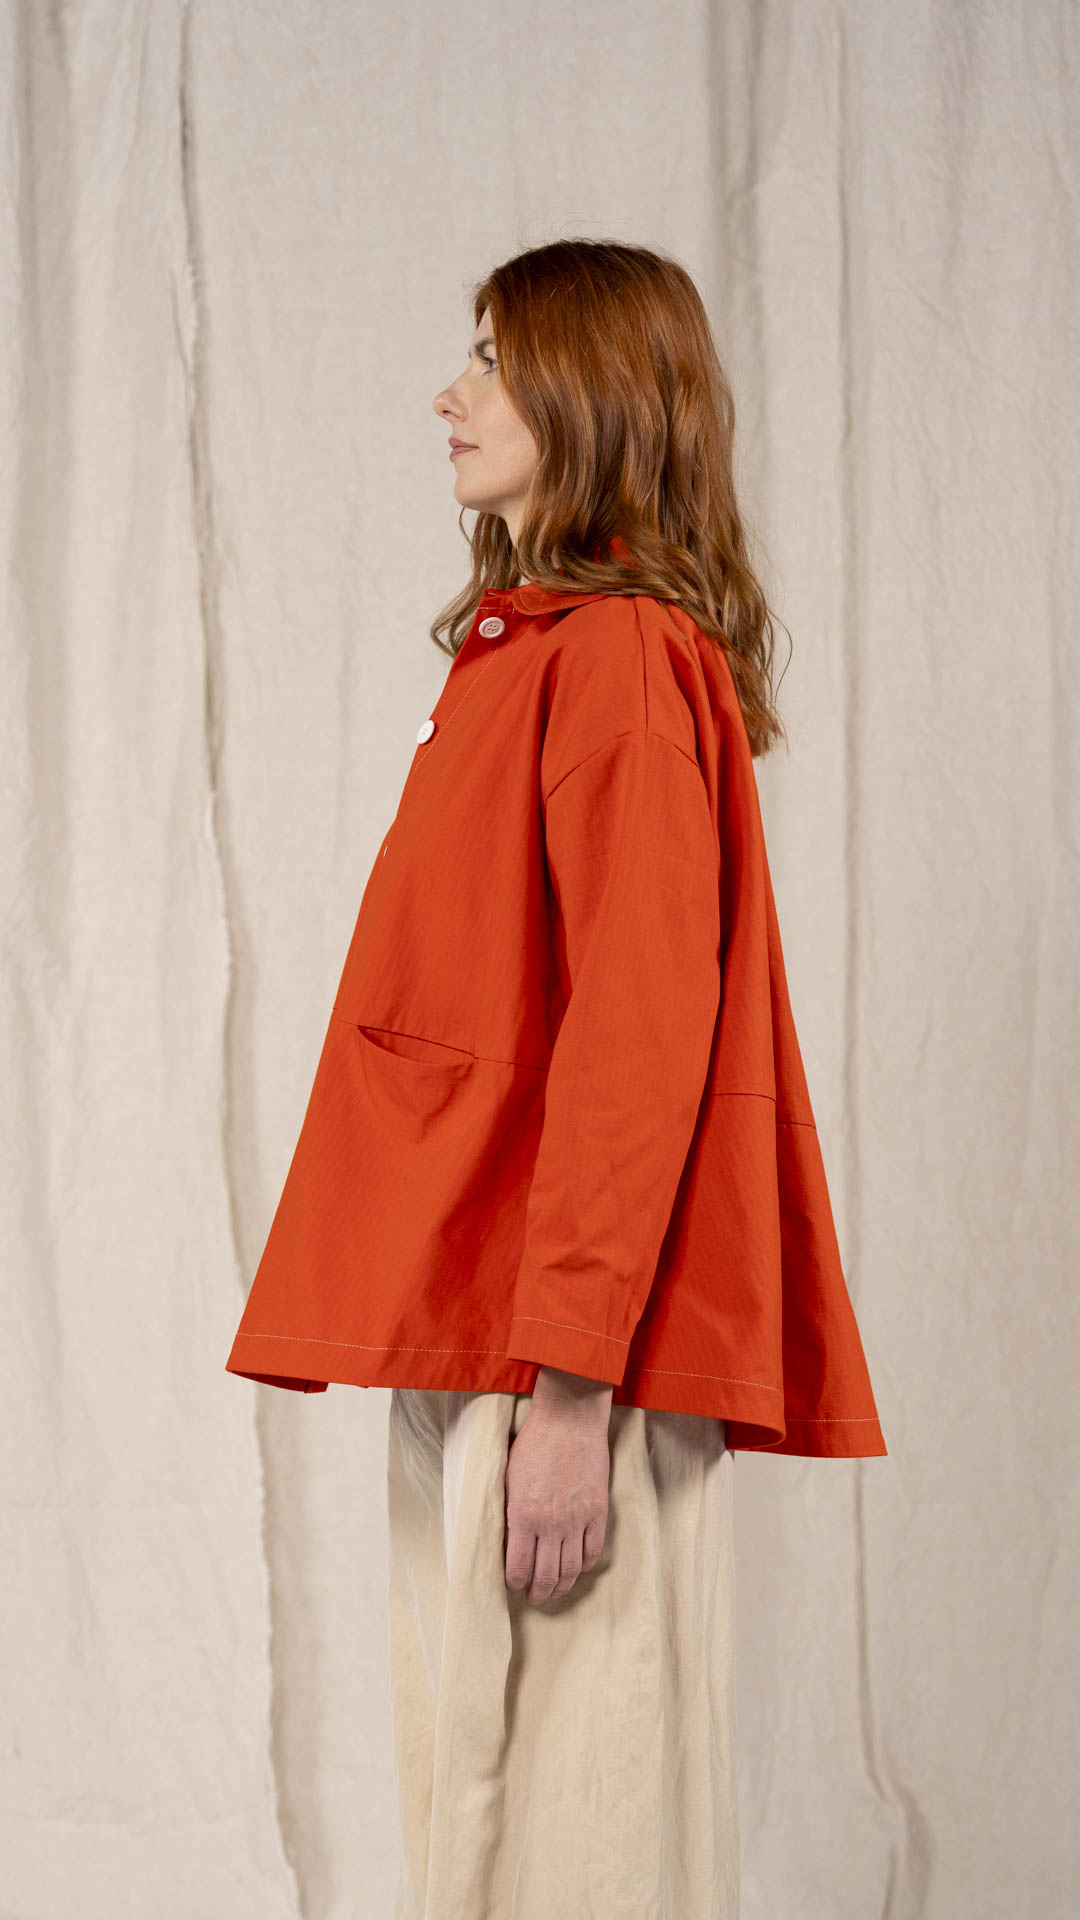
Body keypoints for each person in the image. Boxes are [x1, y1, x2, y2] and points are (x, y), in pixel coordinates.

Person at [226, 237, 887, 1918]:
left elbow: (640, 1038)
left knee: (580, 1843)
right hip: (484, 1321)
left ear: (591, 398)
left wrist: (577, 1391)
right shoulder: (528, 653)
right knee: (487, 1830)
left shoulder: (616, 662)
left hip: (558, 1355)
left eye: (493, 362)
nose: (449, 397)